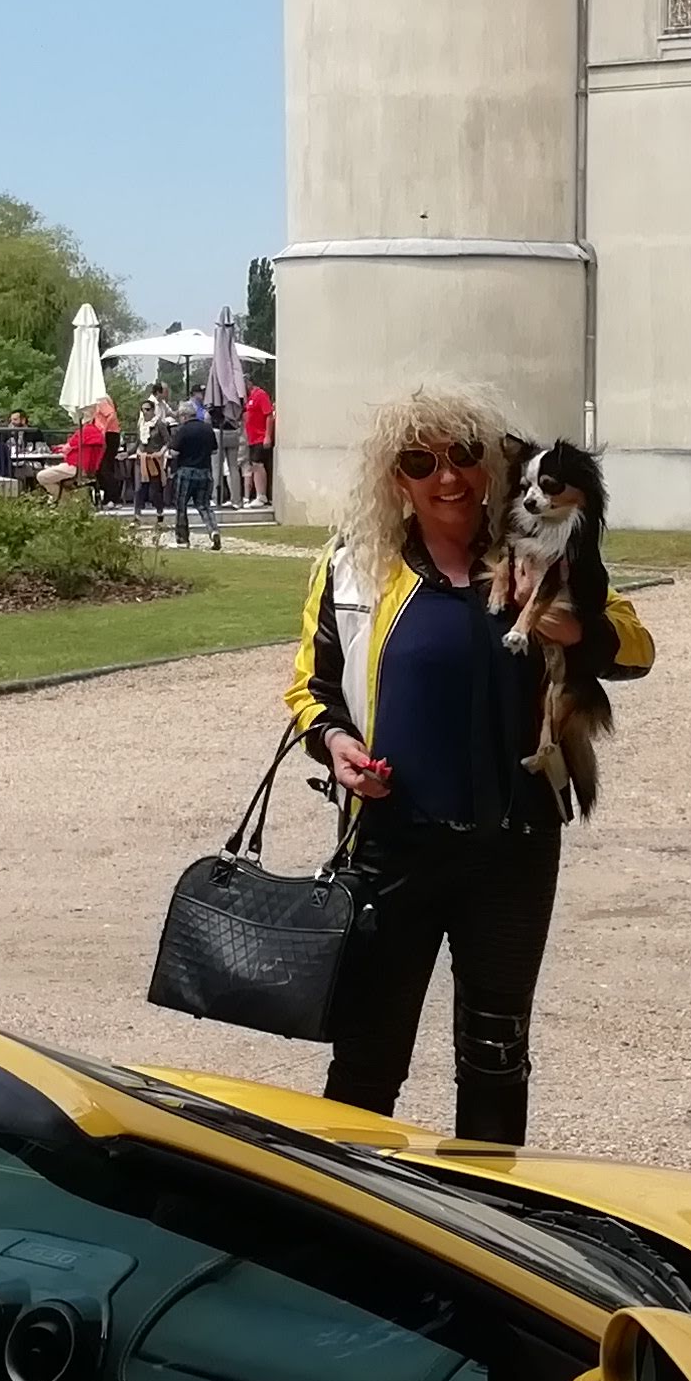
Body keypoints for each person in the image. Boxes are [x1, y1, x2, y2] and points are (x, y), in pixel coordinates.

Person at [279, 387, 653, 1146]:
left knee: (495, 1058)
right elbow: (311, 691)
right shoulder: (353, 569)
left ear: (491, 467)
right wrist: (337, 746)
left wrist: (572, 629)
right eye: (420, 462)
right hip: (391, 846)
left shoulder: (539, 553)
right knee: (368, 1056)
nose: (446, 477)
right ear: (395, 478)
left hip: (514, 847)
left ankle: (484, 1212)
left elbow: (635, 649)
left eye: (462, 456)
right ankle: (343, 1211)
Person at [167, 398, 223, 548]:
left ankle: (182, 539)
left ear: (184, 416)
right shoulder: (207, 429)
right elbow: (214, 450)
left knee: (181, 506)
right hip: (205, 472)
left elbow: (174, 452)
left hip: (186, 471)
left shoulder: (183, 430)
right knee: (204, 505)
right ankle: (213, 530)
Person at [243, 378, 275, 508]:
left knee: (258, 465)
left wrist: (267, 435)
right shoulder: (249, 398)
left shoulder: (260, 395)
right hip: (252, 438)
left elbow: (269, 415)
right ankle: (259, 494)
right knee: (255, 465)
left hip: (260, 437)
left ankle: (261, 495)